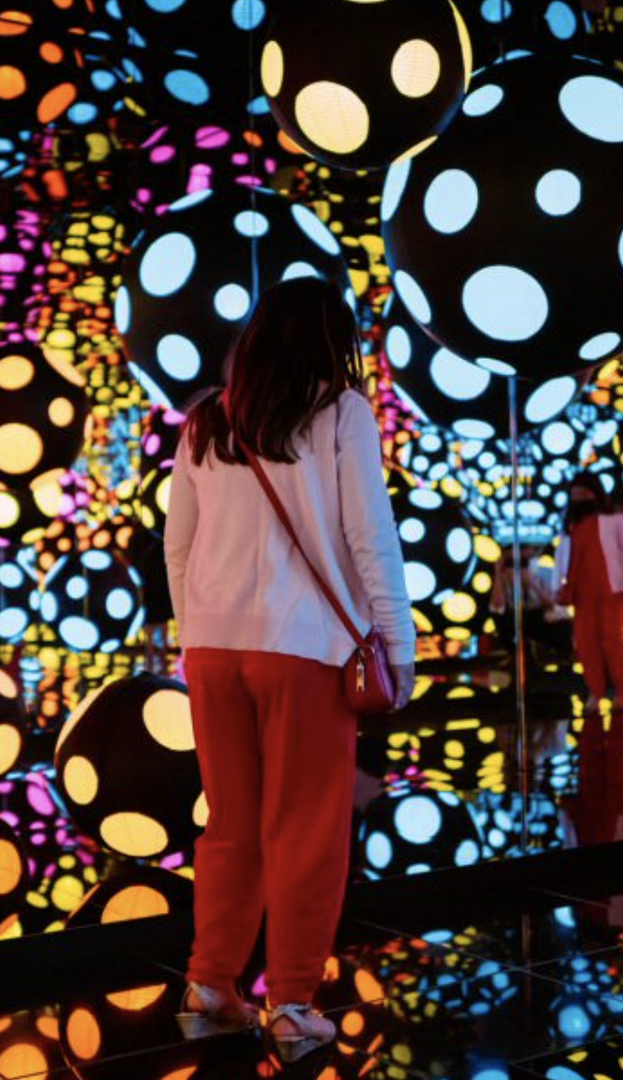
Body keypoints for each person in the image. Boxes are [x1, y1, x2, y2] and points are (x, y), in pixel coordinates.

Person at [164, 277, 415, 1061]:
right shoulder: (339, 413)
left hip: (212, 651)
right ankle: (294, 1001)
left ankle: (211, 987)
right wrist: (398, 649)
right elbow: (370, 536)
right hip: (302, 650)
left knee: (230, 824)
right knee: (306, 830)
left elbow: (177, 543)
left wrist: (198, 625)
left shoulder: (208, 419)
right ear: (329, 342)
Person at [556, 478, 623, 715]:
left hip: (611, 590)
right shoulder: (570, 526)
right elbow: (563, 559)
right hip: (582, 593)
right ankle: (596, 690)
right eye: (576, 494)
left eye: (584, 493)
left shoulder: (616, 520)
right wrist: (559, 588)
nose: (579, 498)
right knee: (585, 642)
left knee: (614, 641)